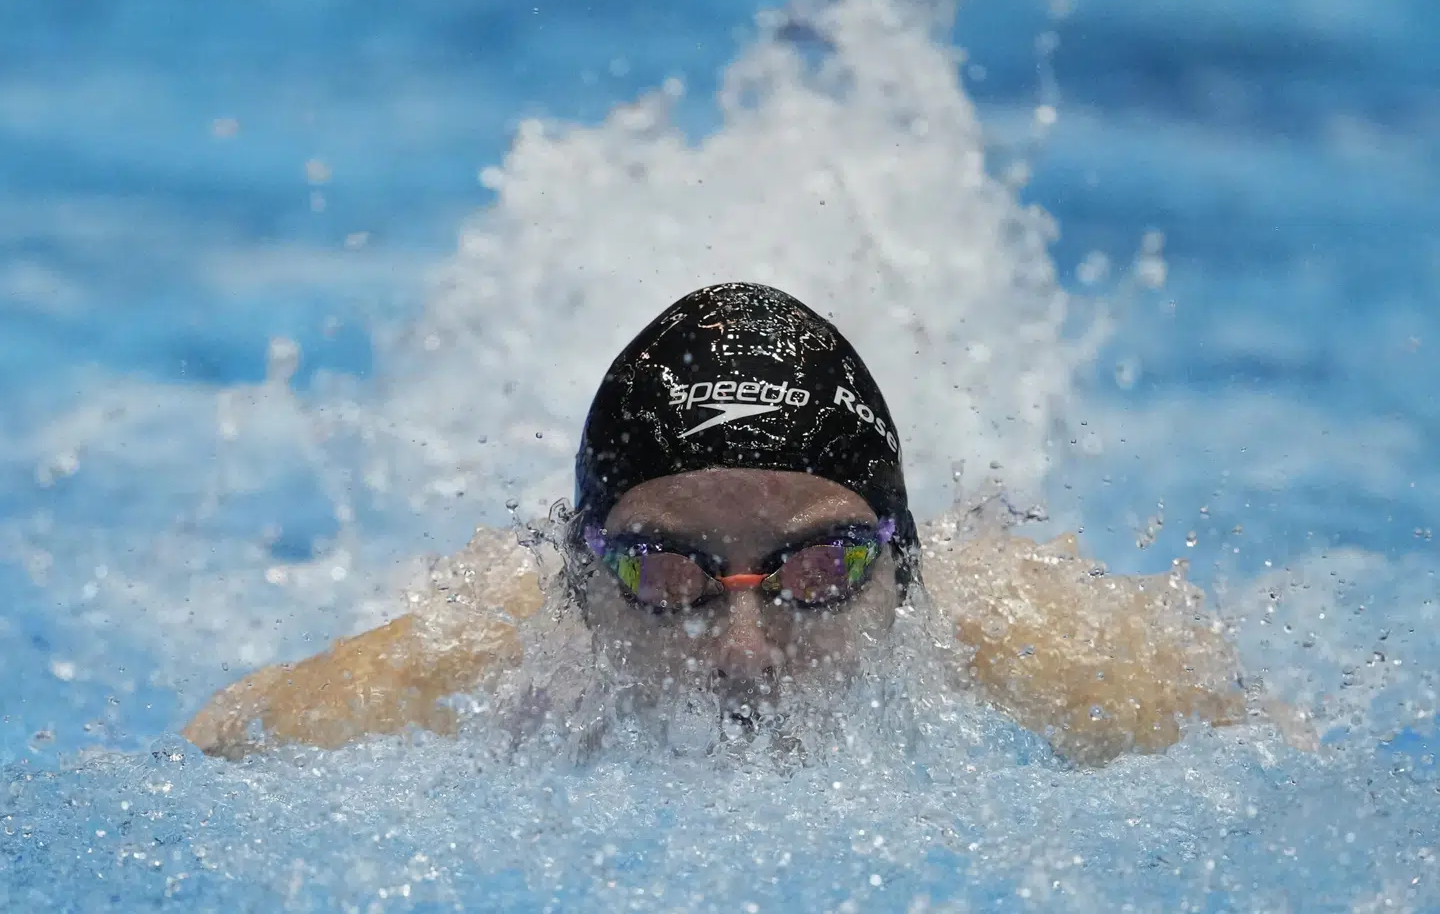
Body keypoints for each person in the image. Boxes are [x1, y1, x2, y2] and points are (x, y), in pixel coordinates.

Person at [182, 283, 1309, 763]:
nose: (742, 651)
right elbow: (211, 755)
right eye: (668, 573)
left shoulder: (1050, 649)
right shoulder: (480, 653)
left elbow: (1279, 774)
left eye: (822, 565)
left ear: (904, 572)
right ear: (578, 582)